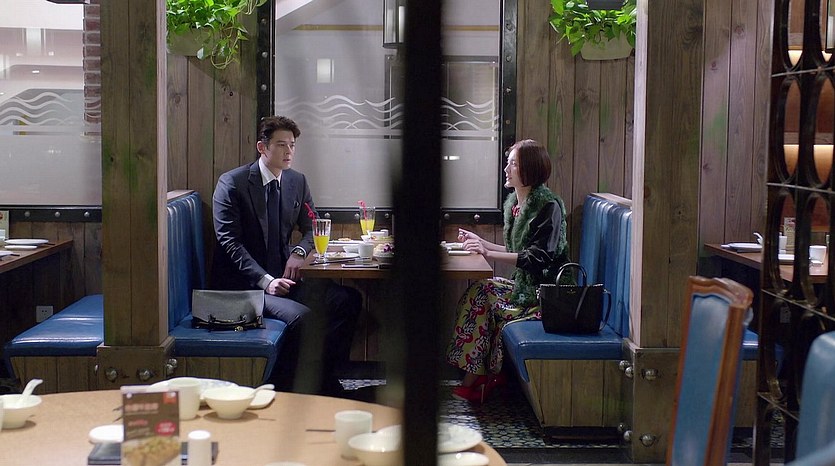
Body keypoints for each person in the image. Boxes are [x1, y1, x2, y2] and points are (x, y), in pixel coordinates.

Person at [211, 115, 361, 396]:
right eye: (281, 145)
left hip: (284, 278)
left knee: (347, 301)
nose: (289, 151)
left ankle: (324, 380)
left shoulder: (296, 181)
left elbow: (313, 226)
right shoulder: (232, 184)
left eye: (292, 145)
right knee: (303, 318)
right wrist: (266, 281)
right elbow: (230, 243)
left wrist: (300, 252)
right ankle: (285, 389)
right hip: (244, 288)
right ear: (262, 147)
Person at [446, 139, 569, 403]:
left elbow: (538, 258)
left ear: (530, 170)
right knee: (480, 291)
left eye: (513, 163)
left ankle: (476, 379)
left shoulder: (549, 207)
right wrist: (481, 243)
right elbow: (516, 249)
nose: (506, 169)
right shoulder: (516, 204)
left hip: (547, 297)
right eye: (508, 162)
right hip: (523, 288)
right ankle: (478, 378)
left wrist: (488, 253)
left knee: (484, 295)